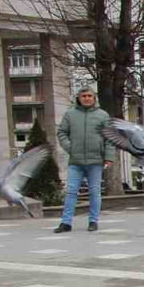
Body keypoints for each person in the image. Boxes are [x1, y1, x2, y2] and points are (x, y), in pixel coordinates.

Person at [55, 88, 113, 233]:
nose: (87, 98)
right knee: (71, 192)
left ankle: (93, 221)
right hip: (76, 161)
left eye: (89, 96)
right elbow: (62, 132)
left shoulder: (102, 115)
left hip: (96, 160)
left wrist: (109, 157)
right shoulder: (70, 114)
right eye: (84, 96)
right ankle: (66, 222)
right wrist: (70, 147)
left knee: (95, 191)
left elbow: (110, 138)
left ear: (94, 98)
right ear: (79, 98)